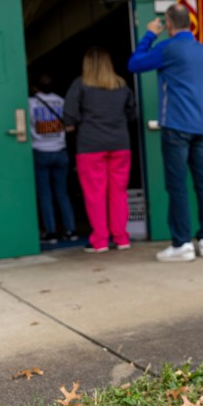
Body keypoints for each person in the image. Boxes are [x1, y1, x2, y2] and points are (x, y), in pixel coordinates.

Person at [127, 3, 203, 263]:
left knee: (177, 185)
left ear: (168, 23)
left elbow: (134, 64)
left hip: (176, 127)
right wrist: (201, 112)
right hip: (202, 128)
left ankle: (181, 244)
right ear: (190, 23)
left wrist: (149, 34)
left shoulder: (168, 48)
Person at [64, 47, 136, 253]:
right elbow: (132, 114)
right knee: (119, 192)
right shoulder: (122, 85)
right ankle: (122, 238)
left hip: (91, 146)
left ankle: (100, 241)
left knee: (95, 194)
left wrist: (74, 125)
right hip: (120, 145)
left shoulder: (80, 85)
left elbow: (70, 114)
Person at [28, 74, 77, 244]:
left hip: (40, 151)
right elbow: (70, 127)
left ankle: (51, 233)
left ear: (36, 87)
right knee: (62, 193)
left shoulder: (30, 103)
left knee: (45, 195)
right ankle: (71, 230)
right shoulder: (60, 101)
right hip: (60, 151)